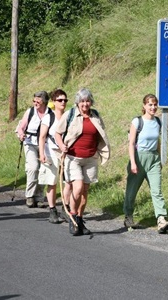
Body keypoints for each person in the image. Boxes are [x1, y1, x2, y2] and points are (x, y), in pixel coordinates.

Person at [55, 88, 110, 236]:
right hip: (73, 158)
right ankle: (72, 217)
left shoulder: (96, 116)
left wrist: (100, 150)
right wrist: (62, 146)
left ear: (91, 102)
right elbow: (57, 133)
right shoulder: (70, 115)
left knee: (85, 192)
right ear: (77, 103)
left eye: (87, 101)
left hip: (90, 159)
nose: (85, 104)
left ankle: (79, 219)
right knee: (77, 188)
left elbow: (100, 134)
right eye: (82, 101)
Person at [123, 94, 168, 234]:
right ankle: (128, 215)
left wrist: (159, 159)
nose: (153, 107)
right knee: (132, 191)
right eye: (150, 104)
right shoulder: (137, 121)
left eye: (155, 104)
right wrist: (133, 162)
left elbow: (158, 141)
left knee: (156, 190)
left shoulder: (158, 121)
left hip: (153, 159)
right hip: (139, 158)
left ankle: (161, 219)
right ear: (144, 106)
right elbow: (131, 143)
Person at [38, 89, 69, 224]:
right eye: (60, 100)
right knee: (52, 182)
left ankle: (65, 209)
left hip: (66, 154)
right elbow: (42, 137)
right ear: (53, 102)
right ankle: (52, 210)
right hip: (51, 152)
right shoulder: (48, 117)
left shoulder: (69, 116)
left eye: (65, 100)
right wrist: (41, 154)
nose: (63, 102)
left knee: (69, 182)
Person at [16, 91, 51, 208]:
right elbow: (21, 127)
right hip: (30, 143)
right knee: (33, 168)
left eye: (38, 102)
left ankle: (39, 197)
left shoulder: (50, 114)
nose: (35, 103)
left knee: (44, 169)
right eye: (34, 101)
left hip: (45, 144)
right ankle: (30, 196)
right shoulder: (30, 112)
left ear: (45, 102)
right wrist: (21, 134)